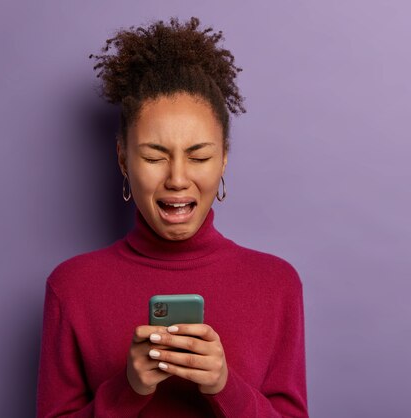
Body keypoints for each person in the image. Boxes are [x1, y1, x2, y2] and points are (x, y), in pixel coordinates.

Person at [36, 17, 309, 418]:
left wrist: (225, 386)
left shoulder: (277, 283)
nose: (178, 178)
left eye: (199, 156)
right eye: (153, 156)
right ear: (123, 159)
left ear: (224, 159)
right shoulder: (71, 287)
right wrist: (127, 389)